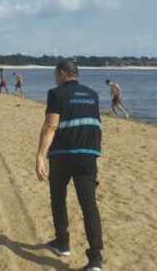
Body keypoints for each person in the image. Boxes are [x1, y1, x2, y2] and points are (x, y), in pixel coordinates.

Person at [36, 59, 103, 271]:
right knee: (89, 205)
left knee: (58, 198)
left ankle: (62, 242)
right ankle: (95, 259)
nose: (55, 79)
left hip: (62, 155)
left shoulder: (56, 94)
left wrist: (40, 155)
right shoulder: (93, 95)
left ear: (63, 73)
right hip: (88, 156)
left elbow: (50, 126)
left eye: (56, 74)